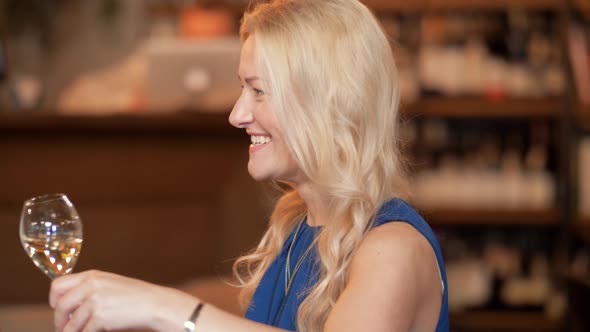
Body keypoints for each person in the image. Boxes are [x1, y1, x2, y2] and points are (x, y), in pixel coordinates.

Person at [49, 0, 449, 331]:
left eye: (258, 91)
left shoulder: (392, 249)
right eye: (244, 89)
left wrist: (163, 307)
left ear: (329, 104)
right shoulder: (298, 226)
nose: (237, 115)